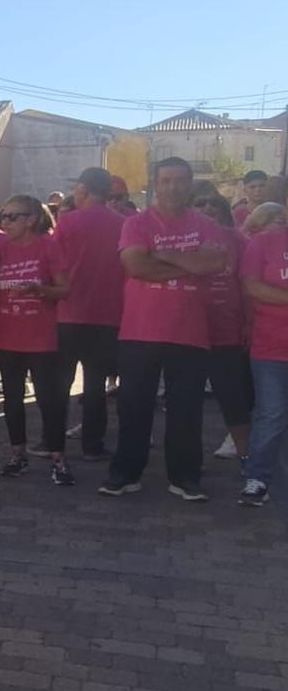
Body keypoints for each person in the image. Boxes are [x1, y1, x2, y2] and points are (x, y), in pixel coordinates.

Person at [100, 157, 226, 502]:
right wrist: (189, 263)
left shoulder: (206, 224)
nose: (173, 187)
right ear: (155, 183)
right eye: (167, 180)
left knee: (187, 410)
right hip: (140, 331)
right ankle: (125, 473)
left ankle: (185, 477)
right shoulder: (137, 223)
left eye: (181, 180)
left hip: (191, 332)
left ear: (190, 184)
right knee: (133, 407)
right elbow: (136, 266)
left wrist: (165, 255)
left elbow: (214, 262)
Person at [0, 197, 74, 485]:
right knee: (12, 399)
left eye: (13, 217)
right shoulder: (0, 247)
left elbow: (64, 289)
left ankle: (58, 459)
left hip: (41, 337)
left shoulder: (48, 245)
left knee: (49, 400)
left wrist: (39, 289)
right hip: (6, 334)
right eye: (3, 216)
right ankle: (17, 455)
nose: (5, 222)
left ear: (32, 219)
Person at [54, 166, 124, 460]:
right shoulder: (123, 223)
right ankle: (93, 445)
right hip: (108, 314)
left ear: (82, 189)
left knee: (60, 382)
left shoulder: (68, 222)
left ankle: (52, 441)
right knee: (95, 385)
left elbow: (55, 264)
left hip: (69, 310)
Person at [192, 191, 253, 462]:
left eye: (214, 203)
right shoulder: (182, 238)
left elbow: (248, 284)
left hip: (227, 328)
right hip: (186, 329)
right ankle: (186, 458)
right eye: (200, 202)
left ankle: (244, 453)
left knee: (231, 394)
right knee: (186, 399)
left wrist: (249, 322)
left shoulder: (238, 239)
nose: (207, 207)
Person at [240, 203, 288, 505]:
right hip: (271, 346)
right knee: (271, 414)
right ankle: (257, 478)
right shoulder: (264, 242)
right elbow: (251, 286)